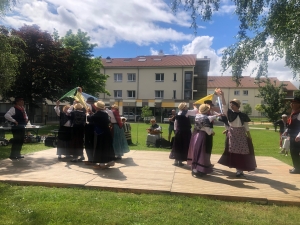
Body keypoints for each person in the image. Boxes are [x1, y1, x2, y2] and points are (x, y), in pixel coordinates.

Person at [218, 90, 257, 177]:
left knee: (243, 152)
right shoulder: (229, 113)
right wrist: (222, 96)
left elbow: (246, 126)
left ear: (237, 106)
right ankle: (238, 169)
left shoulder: (243, 115)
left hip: (241, 134)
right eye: (231, 104)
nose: (231, 105)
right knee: (234, 152)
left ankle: (241, 169)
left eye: (233, 104)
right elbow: (224, 106)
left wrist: (249, 136)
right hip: (232, 134)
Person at [187, 104, 217, 177]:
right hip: (202, 136)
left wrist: (216, 115)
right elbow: (208, 130)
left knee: (196, 152)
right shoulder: (205, 118)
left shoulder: (197, 116)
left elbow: (209, 117)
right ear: (207, 110)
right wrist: (212, 132)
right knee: (201, 153)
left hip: (196, 135)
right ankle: (198, 170)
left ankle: (194, 169)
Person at [87, 101, 115, 169]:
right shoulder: (104, 113)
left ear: (97, 107)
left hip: (101, 132)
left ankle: (102, 164)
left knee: (100, 147)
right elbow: (96, 117)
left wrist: (87, 113)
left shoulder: (98, 113)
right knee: (107, 147)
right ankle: (110, 161)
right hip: (106, 132)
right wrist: (92, 113)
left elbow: (90, 119)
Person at [284, 97, 300, 174]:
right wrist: (287, 131)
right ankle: (296, 167)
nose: (293, 105)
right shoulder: (294, 113)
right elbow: (291, 124)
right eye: (292, 103)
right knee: (293, 151)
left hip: (297, 136)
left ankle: (297, 168)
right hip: (293, 134)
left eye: (295, 103)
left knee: (295, 151)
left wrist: (299, 135)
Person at [84, 97, 98, 164]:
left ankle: (91, 159)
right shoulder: (96, 107)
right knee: (92, 143)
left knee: (88, 143)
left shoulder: (90, 106)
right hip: (93, 128)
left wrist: (87, 113)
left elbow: (89, 118)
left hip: (89, 127)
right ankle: (92, 158)